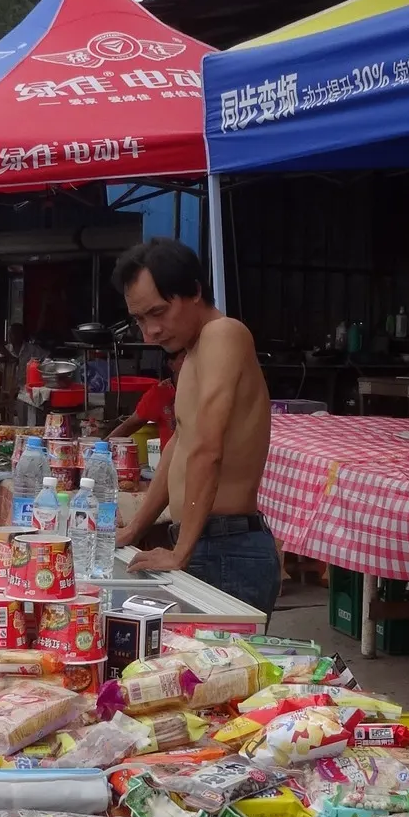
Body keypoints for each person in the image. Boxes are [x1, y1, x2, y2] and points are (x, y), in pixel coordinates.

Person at [113, 238, 279, 616]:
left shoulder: (224, 334)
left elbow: (208, 448)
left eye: (158, 312)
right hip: (206, 544)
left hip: (225, 548)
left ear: (195, 291)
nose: (151, 332)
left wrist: (180, 551)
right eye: (140, 320)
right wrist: (135, 529)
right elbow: (182, 445)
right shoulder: (193, 354)